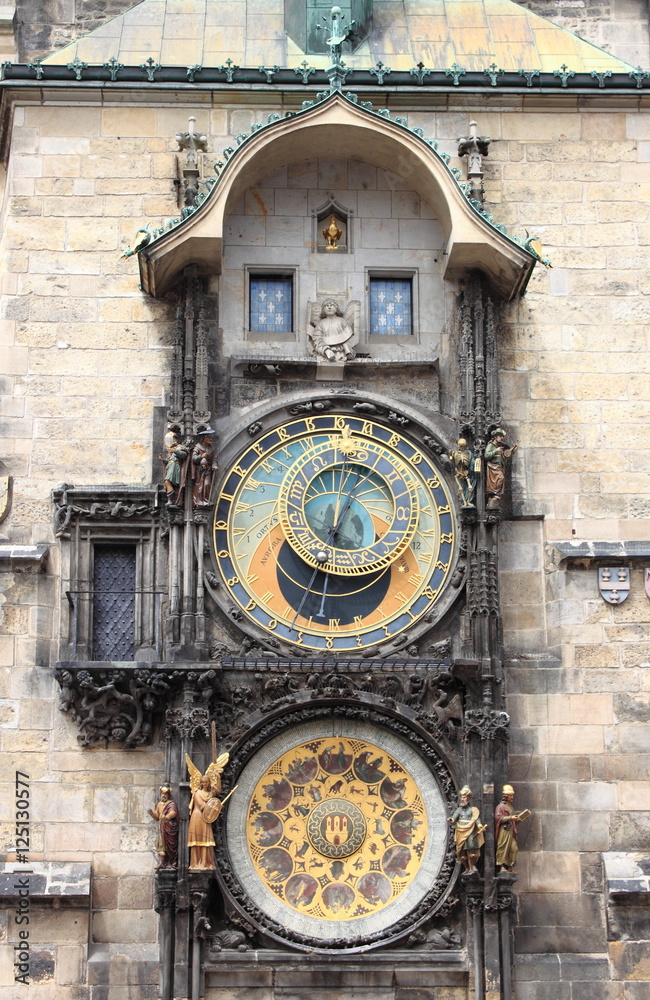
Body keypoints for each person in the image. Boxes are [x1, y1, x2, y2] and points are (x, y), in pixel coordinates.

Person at [448, 785, 486, 873]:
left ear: (468, 799)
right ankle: (466, 867)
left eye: (464, 797)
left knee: (472, 849)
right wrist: (452, 819)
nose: (462, 799)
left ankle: (472, 866)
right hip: (461, 832)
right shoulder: (459, 810)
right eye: (461, 797)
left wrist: (479, 825)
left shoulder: (472, 810)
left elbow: (476, 819)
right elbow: (454, 817)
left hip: (470, 831)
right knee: (461, 851)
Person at [495, 783, 530, 872]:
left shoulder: (511, 807)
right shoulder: (500, 807)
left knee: (514, 848)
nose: (512, 797)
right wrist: (510, 818)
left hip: (511, 831)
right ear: (505, 796)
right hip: (504, 831)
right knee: (503, 847)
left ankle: (510, 866)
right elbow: (498, 817)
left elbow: (513, 821)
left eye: (512, 795)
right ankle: (502, 866)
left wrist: (520, 818)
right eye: (510, 795)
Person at [188, 774, 218, 871]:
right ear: (200, 783)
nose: (205, 784)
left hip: (206, 818)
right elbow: (204, 806)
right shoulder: (197, 793)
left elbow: (217, 790)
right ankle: (196, 863)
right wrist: (215, 807)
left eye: (206, 782)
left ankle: (206, 863)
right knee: (198, 839)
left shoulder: (209, 794)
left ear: (209, 783)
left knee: (206, 840)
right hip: (198, 817)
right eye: (203, 782)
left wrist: (217, 775)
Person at [484, 427, 517, 510]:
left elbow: (504, 456)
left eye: (502, 436)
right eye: (500, 436)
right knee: (500, 478)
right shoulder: (491, 445)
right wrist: (496, 450)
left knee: (500, 479)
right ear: (495, 436)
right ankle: (493, 495)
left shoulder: (499, 446)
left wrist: (512, 450)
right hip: (493, 467)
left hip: (499, 467)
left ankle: (494, 495)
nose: (501, 438)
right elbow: (486, 455)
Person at [148, 785, 179, 869]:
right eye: (162, 793)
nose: (163, 795)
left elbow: (173, 812)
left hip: (169, 828)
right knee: (161, 846)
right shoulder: (159, 804)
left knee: (171, 846)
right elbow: (157, 817)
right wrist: (152, 813)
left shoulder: (171, 804)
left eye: (165, 794)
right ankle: (162, 863)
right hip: (162, 828)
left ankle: (173, 861)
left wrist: (167, 817)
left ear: (168, 795)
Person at [191, 429, 217, 507]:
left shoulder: (211, 449)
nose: (210, 439)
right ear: (203, 438)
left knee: (207, 484)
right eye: (208, 437)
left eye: (211, 437)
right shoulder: (197, 447)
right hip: (200, 470)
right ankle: (199, 500)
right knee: (200, 485)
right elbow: (194, 459)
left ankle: (206, 499)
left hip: (208, 469)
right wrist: (201, 456)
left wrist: (214, 465)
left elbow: (214, 459)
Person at [449, 437, 477, 507]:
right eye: (461, 446)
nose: (462, 448)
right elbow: (452, 461)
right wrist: (451, 454)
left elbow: (471, 462)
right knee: (462, 488)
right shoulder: (455, 453)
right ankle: (464, 501)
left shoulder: (469, 453)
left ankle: (468, 501)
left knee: (470, 488)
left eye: (463, 446)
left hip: (466, 472)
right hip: (459, 473)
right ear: (458, 446)